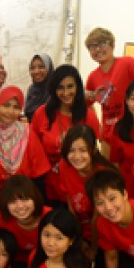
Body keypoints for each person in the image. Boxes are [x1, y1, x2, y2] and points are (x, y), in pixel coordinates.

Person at [30, 65, 101, 207]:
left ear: (78, 88)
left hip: (78, 189)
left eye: (70, 86)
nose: (65, 92)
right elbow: (34, 151)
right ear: (53, 89)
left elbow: (94, 153)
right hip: (47, 187)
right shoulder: (41, 114)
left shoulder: (89, 117)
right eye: (60, 87)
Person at [0, 84, 51, 213]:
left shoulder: (27, 133)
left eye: (16, 107)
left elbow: (38, 176)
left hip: (23, 204)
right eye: (6, 105)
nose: (11, 111)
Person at [83, 27, 134, 139]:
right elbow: (86, 104)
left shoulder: (127, 63)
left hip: (131, 131)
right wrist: (96, 125)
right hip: (108, 135)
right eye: (92, 47)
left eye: (102, 44)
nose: (98, 50)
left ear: (112, 45)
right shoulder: (93, 76)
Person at [58, 124, 116, 248]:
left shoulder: (102, 173)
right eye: (71, 150)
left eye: (83, 150)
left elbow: (97, 218)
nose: (77, 157)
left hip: (104, 231)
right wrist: (77, 239)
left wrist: (93, 250)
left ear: (93, 149)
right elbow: (70, 202)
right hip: (80, 230)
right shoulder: (64, 166)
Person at [0, 175, 52, 268]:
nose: (20, 206)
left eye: (25, 199)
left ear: (35, 198)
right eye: (13, 201)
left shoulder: (49, 216)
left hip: (45, 261)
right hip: (13, 262)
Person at [23, 53, 53, 122]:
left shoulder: (55, 90)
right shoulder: (31, 90)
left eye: (41, 67)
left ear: (49, 68)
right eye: (32, 68)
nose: (36, 71)